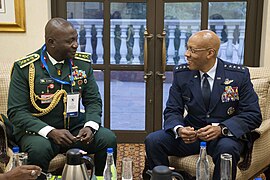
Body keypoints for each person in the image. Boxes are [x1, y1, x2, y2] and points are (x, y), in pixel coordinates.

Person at [7, 17, 117, 179]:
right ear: (51, 42)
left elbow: (93, 101)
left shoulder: (82, 64)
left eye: (76, 39)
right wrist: (51, 132)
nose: (76, 45)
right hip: (38, 131)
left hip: (73, 128)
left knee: (107, 139)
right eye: (70, 41)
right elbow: (16, 112)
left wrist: (90, 126)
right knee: (39, 149)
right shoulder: (26, 68)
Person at [144, 30, 262, 180]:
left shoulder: (238, 76)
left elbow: (253, 114)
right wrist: (179, 129)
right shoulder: (182, 74)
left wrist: (221, 129)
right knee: (153, 141)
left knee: (227, 149)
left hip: (223, 137)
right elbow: (172, 110)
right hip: (193, 136)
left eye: (192, 50)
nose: (186, 54)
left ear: (210, 53)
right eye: (187, 48)